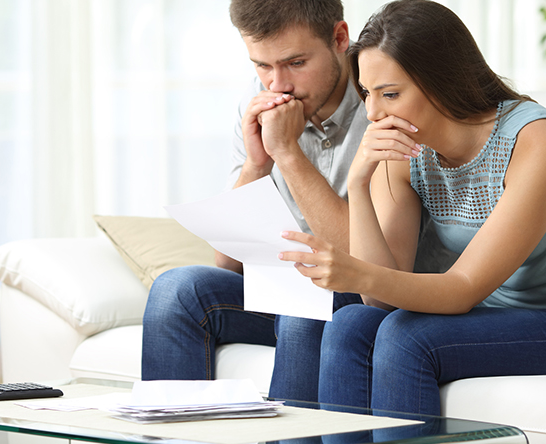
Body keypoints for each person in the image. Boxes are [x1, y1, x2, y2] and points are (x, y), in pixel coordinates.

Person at [277, 0, 546, 416]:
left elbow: (463, 287)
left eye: (390, 94)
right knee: (346, 322)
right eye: (367, 93)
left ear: (441, 81)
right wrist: (359, 184)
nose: (374, 112)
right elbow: (379, 299)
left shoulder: (538, 142)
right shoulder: (403, 149)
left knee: (403, 336)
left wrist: (353, 270)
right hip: (494, 314)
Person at [142, 0, 454, 402]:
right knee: (176, 290)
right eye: (262, 66)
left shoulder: (384, 101)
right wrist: (257, 164)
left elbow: (367, 269)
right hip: (285, 289)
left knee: (308, 301)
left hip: (365, 290)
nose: (277, 86)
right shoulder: (260, 104)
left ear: (340, 38)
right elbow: (228, 264)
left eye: (295, 63)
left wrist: (288, 154)